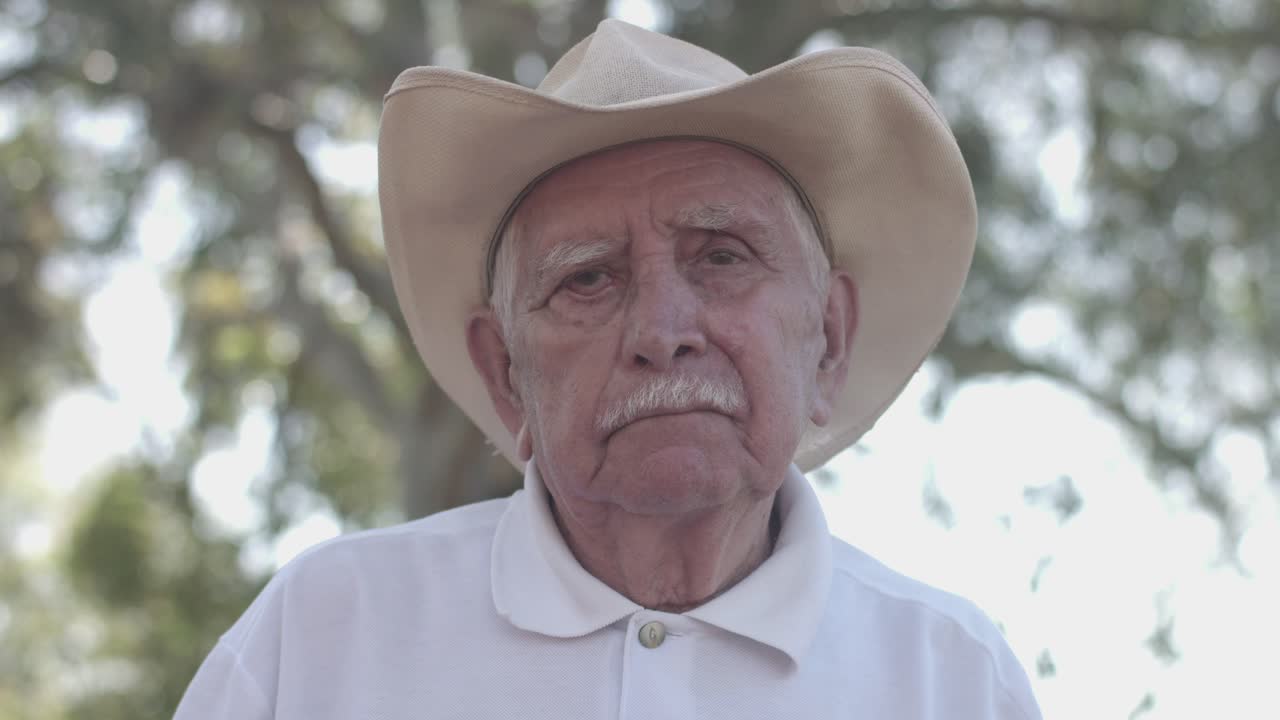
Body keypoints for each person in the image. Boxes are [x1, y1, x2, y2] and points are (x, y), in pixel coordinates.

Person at [174, 19, 1041, 720]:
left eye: (723, 257)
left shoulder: (954, 681)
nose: (662, 332)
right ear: (505, 374)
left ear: (829, 340)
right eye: (587, 278)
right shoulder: (326, 636)